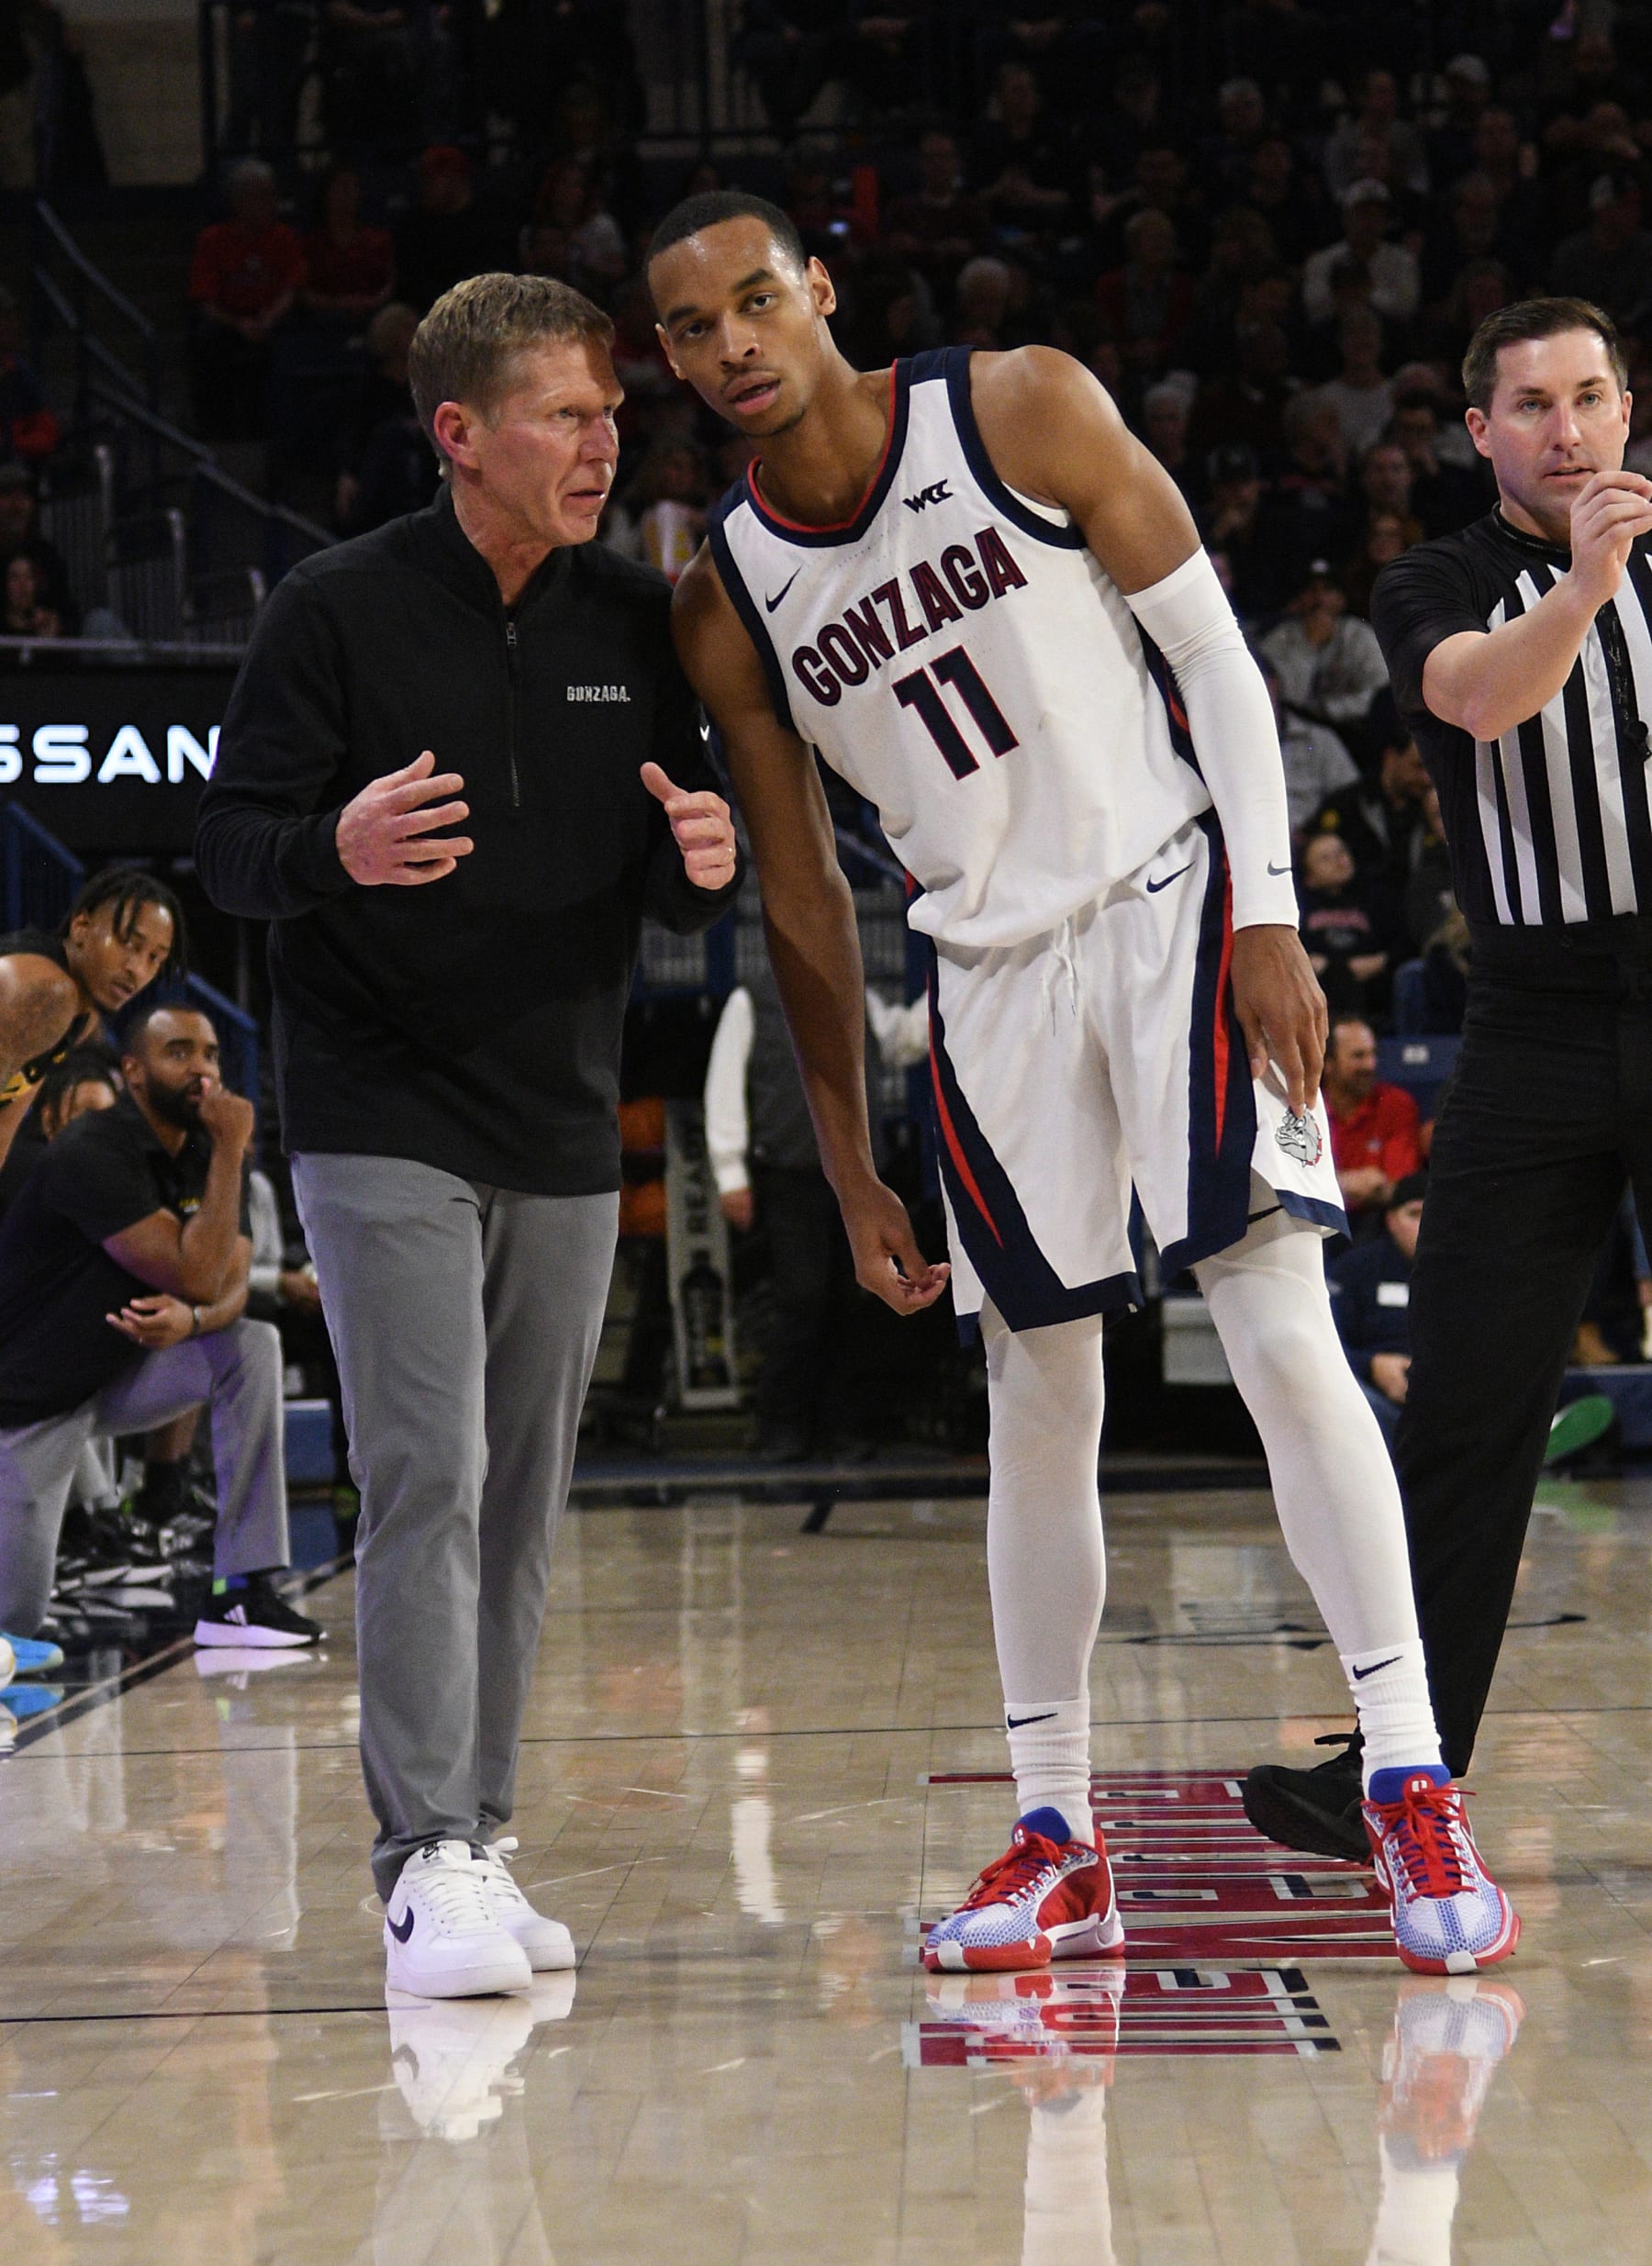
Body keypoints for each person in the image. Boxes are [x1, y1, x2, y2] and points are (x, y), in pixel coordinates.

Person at [648, 190, 1516, 1979]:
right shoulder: (724, 595)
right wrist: (847, 1152)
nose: (731, 344)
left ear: (818, 290)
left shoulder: (1017, 404)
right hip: (984, 980)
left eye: (755, 300)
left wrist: (1268, 914)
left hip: (1171, 907)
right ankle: (1058, 1831)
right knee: (1034, 1398)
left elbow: (1211, 653)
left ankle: (1411, 1775)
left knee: (1280, 1332)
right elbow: (800, 890)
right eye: (688, 326)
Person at [194, 272, 742, 2001]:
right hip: (379, 1109)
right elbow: (230, 851)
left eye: (609, 415)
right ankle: (422, 1848)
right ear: (461, 433)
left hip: (559, 1110)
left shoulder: (635, 619)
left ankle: (479, 1837)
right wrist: (331, 847)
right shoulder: (334, 611)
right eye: (567, 415)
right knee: (428, 1471)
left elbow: (665, 853)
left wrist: (703, 862)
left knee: (520, 1495)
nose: (604, 445)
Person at [1246, 296, 1652, 1860]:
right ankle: (1402, 1763)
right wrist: (1593, 580)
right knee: (1471, 1401)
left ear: (1627, 408)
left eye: (1592, 396)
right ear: (1480, 431)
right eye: (1533, 404)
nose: (1569, 428)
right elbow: (1481, 699)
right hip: (1536, 1016)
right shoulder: (1435, 579)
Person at [0, 1003, 319, 1648]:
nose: (202, 1069)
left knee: (251, 1346)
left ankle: (241, 1591)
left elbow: (228, 1286)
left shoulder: (208, 1150)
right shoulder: (92, 1150)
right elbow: (198, 1273)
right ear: (134, 1072)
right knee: (12, 1630)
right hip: (27, 1401)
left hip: (115, 1374)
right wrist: (230, 1152)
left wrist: (197, 1320)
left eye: (211, 1054)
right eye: (179, 1052)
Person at [0, 868, 183, 1173]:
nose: (137, 969)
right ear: (81, 926)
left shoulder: (79, 1017)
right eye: (129, 943)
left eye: (155, 958)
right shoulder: (46, 992)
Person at [1329, 1171, 1425, 1448]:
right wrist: (1372, 1365)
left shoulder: (1466, 1274)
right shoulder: (1355, 1270)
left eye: (1433, 1214)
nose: (1424, 1226)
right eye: (1414, 1214)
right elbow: (1326, 1343)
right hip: (1374, 1391)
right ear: (1391, 1220)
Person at [1322, 1013, 1421, 1226]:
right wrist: (1343, 1183)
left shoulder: (1395, 1104)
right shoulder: (1305, 1109)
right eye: (1358, 1056)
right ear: (1328, 1063)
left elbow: (1400, 1187)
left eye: (1373, 1054)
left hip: (1378, 1224)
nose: (1370, 1065)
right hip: (1320, 1220)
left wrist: (1328, 1185)